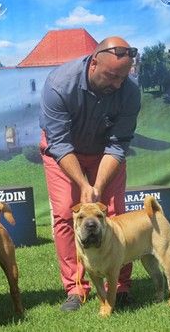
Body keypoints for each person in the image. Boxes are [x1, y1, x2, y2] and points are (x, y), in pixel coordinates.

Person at [39, 36, 141, 311]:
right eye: (112, 76)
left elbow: (118, 144)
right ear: (94, 62)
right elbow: (59, 143)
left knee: (115, 212)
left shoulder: (130, 91)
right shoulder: (59, 84)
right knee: (64, 214)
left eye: (123, 76)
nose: (117, 84)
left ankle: (119, 285)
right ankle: (75, 288)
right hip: (63, 154)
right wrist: (84, 184)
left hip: (105, 155)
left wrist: (96, 184)